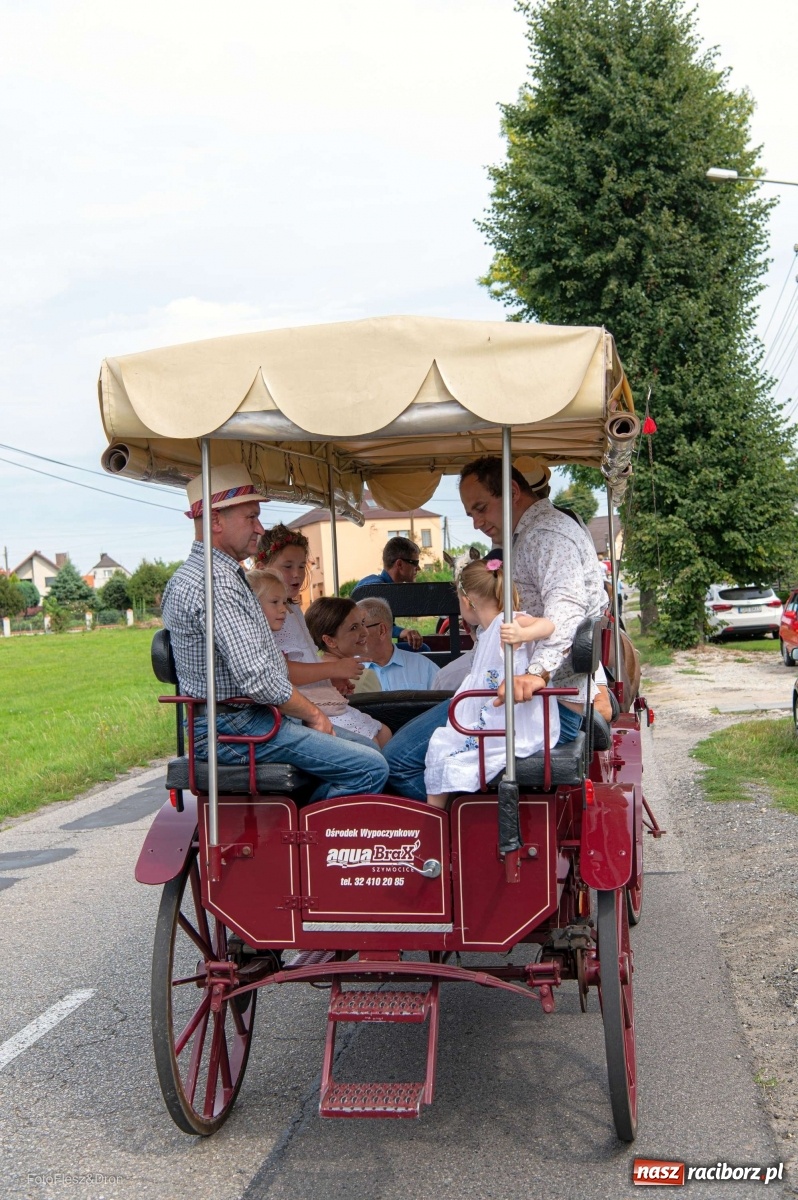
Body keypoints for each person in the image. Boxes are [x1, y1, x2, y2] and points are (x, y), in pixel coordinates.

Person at [382, 455, 608, 801]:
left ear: (513, 492)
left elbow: (567, 610)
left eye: (481, 508)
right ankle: (464, 817)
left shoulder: (545, 535)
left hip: (544, 707)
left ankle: (460, 829)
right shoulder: (527, 536)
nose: (476, 523)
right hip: (539, 701)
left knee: (397, 761)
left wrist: (535, 674)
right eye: (471, 514)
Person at [161, 464, 389, 802]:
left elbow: (266, 665)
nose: (259, 527)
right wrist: (313, 714)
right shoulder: (216, 582)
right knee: (370, 767)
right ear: (216, 520)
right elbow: (258, 677)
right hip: (233, 729)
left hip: (241, 720)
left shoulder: (204, 575)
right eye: (251, 517)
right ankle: (302, 830)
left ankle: (304, 822)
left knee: (368, 749)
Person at [425, 560, 557, 808]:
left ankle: (436, 819)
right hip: (493, 716)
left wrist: (522, 634)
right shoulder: (486, 633)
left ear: (466, 601)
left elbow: (548, 625)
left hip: (510, 723)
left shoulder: (507, 622)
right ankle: (444, 815)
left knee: (441, 746)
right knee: (442, 745)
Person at [247, 567, 391, 748]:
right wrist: (334, 670)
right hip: (291, 717)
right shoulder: (257, 645)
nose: (283, 609)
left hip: (302, 711)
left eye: (284, 602)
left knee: (383, 733)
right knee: (370, 745)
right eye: (275, 602)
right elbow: (286, 674)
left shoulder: (272, 639)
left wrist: (329, 683)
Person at [356, 536, 424, 650]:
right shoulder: (376, 587)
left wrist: (401, 632)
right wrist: (401, 632)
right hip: (367, 650)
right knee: (422, 649)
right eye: (415, 563)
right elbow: (370, 625)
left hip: (373, 648)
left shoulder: (380, 586)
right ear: (399, 564)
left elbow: (380, 622)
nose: (418, 568)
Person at [357, 596, 439, 690]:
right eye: (351, 629)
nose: (352, 635)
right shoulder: (347, 674)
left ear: (381, 630)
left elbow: (447, 699)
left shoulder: (424, 668)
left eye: (358, 627)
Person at [305, 596, 382, 695]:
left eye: (362, 623)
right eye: (354, 628)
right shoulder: (363, 676)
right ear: (329, 640)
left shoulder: (306, 673)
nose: (365, 632)